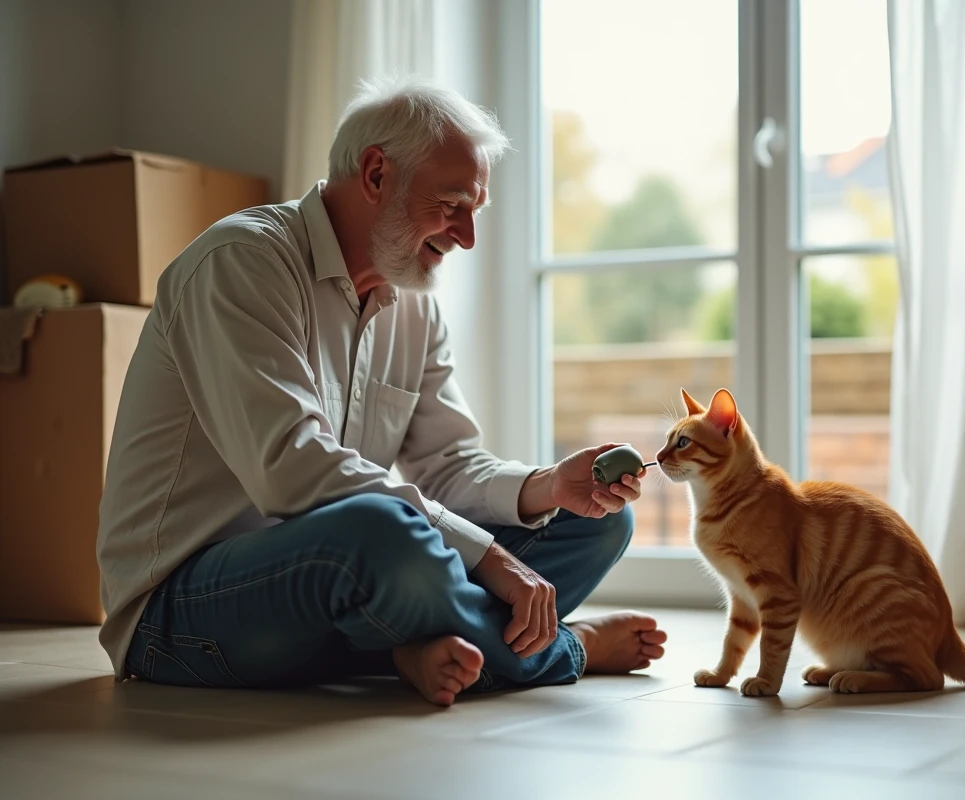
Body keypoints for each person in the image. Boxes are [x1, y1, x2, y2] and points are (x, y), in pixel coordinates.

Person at [95, 74, 667, 706]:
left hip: (334, 581)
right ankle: (567, 648)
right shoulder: (242, 263)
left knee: (594, 524)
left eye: (474, 212)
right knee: (384, 534)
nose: (466, 237)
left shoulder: (414, 307)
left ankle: (410, 645)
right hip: (179, 609)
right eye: (452, 205)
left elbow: (446, 465)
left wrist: (549, 487)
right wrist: (487, 558)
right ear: (375, 175)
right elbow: (291, 470)